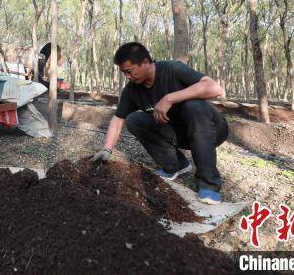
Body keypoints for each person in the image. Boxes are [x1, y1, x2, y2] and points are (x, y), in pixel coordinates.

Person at [92, 42, 228, 205]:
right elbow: (118, 118)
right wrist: (107, 148)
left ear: (145, 63)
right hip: (181, 135)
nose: (127, 76)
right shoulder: (131, 90)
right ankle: (175, 165)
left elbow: (215, 88)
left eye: (129, 71)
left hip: (211, 129)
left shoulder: (172, 69)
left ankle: (209, 185)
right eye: (124, 73)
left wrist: (169, 98)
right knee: (134, 120)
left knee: (194, 106)